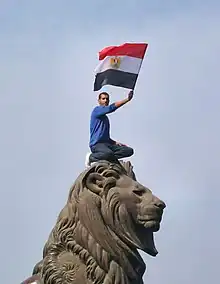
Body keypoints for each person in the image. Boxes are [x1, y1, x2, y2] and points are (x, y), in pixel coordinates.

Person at [88, 90, 134, 165]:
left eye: (107, 99)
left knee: (128, 151)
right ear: (99, 100)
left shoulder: (106, 119)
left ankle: (109, 159)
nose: (105, 100)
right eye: (103, 99)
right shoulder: (97, 110)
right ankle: (91, 157)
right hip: (97, 145)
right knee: (108, 153)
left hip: (107, 144)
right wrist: (127, 99)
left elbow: (105, 137)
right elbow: (111, 108)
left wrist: (115, 143)